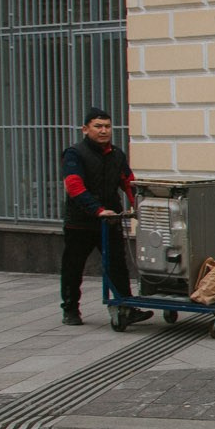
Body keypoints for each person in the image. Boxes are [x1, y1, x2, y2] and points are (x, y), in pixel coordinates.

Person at [59, 107, 149, 326]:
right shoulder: (75, 153)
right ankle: (70, 309)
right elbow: (74, 186)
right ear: (85, 129)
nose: (103, 131)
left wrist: (138, 205)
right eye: (98, 126)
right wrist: (97, 210)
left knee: (117, 264)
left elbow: (128, 181)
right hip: (80, 222)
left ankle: (124, 306)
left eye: (107, 126)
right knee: (73, 266)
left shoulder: (117, 154)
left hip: (110, 220)